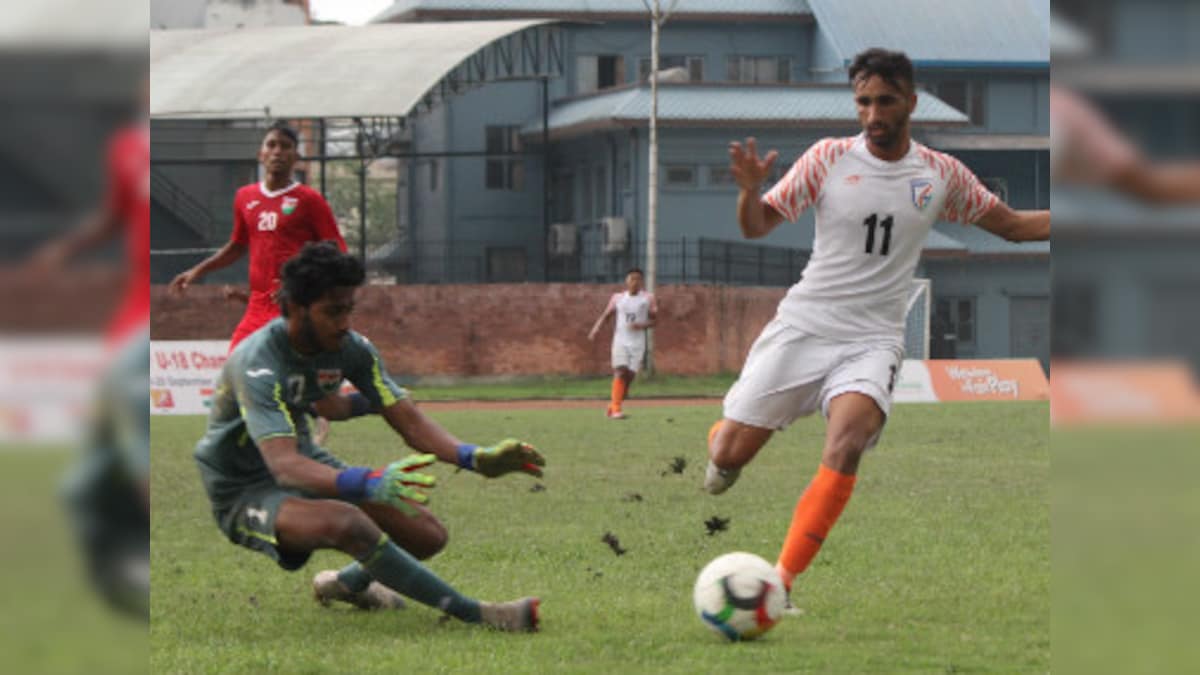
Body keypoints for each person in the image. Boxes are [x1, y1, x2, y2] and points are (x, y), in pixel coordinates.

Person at [704, 48, 1050, 608]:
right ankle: (721, 449)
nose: (872, 114)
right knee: (727, 457)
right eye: (863, 101)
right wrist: (748, 191)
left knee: (847, 444)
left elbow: (1010, 226)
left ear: (911, 103)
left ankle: (780, 583)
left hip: (873, 341)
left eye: (884, 101)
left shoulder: (941, 175)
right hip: (805, 325)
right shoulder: (827, 159)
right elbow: (757, 227)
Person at [194, 242, 546, 631]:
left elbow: (408, 421)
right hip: (242, 487)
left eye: (349, 308)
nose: (345, 322)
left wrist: (475, 458)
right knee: (348, 523)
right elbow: (283, 465)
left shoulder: (352, 349)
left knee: (426, 536)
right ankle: (477, 614)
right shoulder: (257, 361)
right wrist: (367, 482)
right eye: (333, 311)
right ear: (295, 307)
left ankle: (346, 585)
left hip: (307, 462)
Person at [27, 80, 150, 619]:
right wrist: (67, 246)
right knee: (86, 475)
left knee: (130, 390)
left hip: (153, 316)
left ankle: (146, 523)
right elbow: (112, 215)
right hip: (127, 316)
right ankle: (117, 555)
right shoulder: (125, 146)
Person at [168, 121, 347, 349]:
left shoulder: (309, 200)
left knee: (288, 373)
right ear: (260, 154)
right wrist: (198, 270)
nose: (277, 152)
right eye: (271, 145)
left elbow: (337, 251)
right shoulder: (245, 197)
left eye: (285, 146)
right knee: (234, 371)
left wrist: (302, 283)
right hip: (257, 307)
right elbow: (237, 245)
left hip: (296, 304)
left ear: (296, 157)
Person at [587, 268, 658, 419]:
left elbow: (655, 321)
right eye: (632, 278)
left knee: (629, 377)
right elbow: (606, 315)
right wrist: (596, 329)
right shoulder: (617, 298)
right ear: (626, 281)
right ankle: (617, 410)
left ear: (642, 281)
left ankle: (612, 406)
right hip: (620, 341)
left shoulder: (648, 298)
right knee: (620, 371)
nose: (635, 282)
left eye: (638, 279)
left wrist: (642, 325)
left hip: (638, 343)